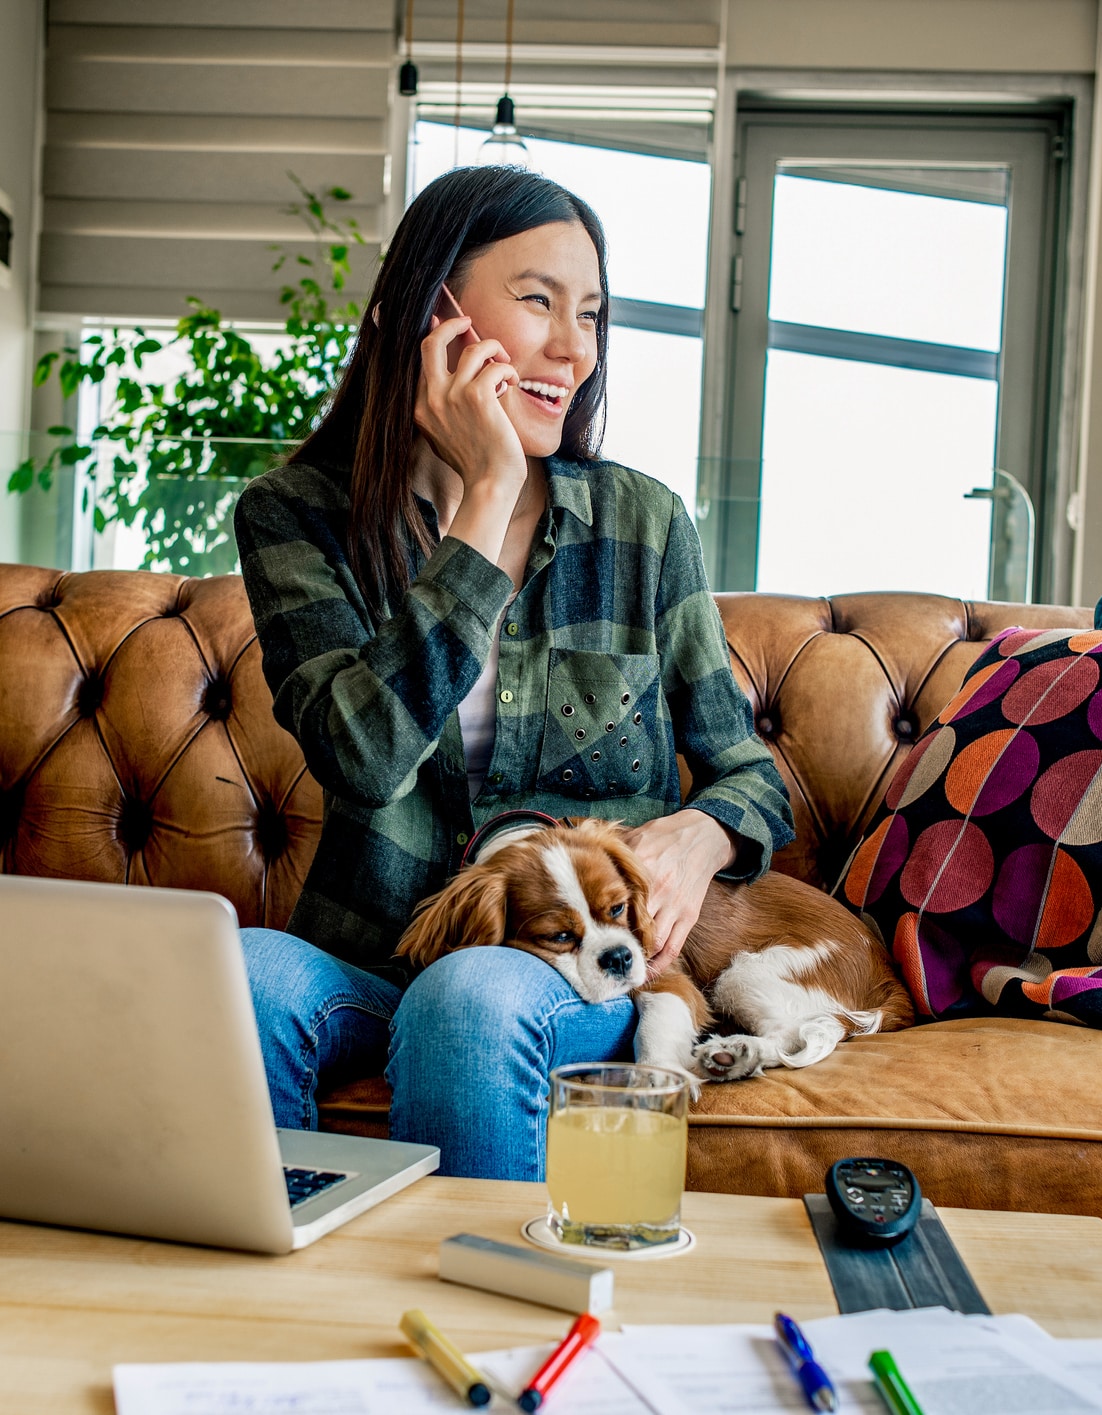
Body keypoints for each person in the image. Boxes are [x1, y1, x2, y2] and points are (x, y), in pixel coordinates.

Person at [232, 165, 793, 1180]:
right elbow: (363, 753)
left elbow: (748, 775)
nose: (573, 348)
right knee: (244, 974)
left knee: (473, 992)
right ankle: (286, 1299)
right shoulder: (296, 517)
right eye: (537, 300)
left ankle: (482, 1325)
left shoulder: (642, 524)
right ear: (428, 308)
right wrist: (487, 496)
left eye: (590, 314)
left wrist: (701, 835)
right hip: (373, 945)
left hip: (559, 968)